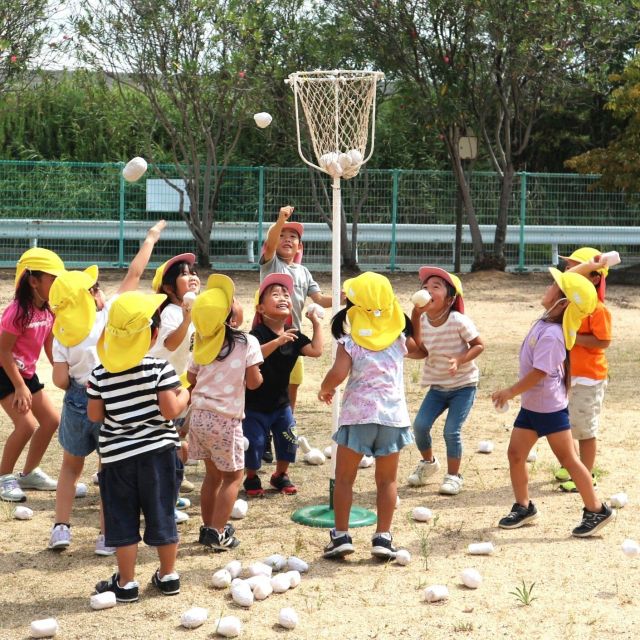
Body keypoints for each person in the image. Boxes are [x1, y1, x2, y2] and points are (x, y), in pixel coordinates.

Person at [48, 221, 166, 554]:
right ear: (92, 296)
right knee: (107, 471)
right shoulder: (109, 316)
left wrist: (73, 377)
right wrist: (151, 238)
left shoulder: (63, 333)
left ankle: (61, 528)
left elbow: (58, 379)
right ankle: (105, 536)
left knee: (71, 467)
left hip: (75, 401)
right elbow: (135, 273)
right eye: (96, 287)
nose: (101, 291)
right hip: (111, 401)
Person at [492, 268, 615, 537]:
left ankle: (596, 509)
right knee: (515, 454)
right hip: (533, 406)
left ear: (563, 303)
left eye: (553, 286)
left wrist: (509, 391)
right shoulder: (546, 321)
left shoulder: (553, 335)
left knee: (569, 460)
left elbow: (539, 373)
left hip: (548, 408)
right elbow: (573, 281)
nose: (548, 287)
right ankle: (524, 507)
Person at [87, 292, 189, 602]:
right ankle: (168, 575)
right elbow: (172, 411)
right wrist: (186, 393)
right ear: (154, 334)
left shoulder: (99, 373)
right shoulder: (160, 369)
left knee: (122, 517)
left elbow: (95, 415)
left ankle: (127, 582)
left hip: (117, 459)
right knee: (163, 512)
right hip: (159, 455)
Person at [319, 272, 419, 560]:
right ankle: (383, 538)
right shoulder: (400, 339)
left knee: (345, 479)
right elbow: (421, 350)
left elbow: (338, 374)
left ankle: (340, 536)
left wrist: (325, 389)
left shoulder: (349, 339)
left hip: (357, 416)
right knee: (387, 481)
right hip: (392, 417)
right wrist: (417, 316)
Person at [186, 274, 263, 551]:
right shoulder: (247, 342)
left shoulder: (201, 340)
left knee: (212, 476)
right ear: (231, 318)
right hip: (226, 419)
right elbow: (254, 382)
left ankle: (208, 527)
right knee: (233, 476)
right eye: (235, 302)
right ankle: (218, 532)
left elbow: (190, 377)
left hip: (199, 416)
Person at [260, 205, 332, 461]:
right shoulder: (271, 264)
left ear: (300, 247)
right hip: (268, 336)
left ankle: (284, 432)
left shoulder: (304, 272)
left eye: (293, 237)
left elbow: (320, 299)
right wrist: (280, 219)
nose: (287, 239)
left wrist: (345, 298)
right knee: (263, 389)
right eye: (283, 235)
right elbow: (269, 243)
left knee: (291, 389)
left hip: (294, 338)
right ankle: (264, 437)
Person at [243, 272, 323, 497]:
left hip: (281, 404)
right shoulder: (256, 334)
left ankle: (280, 475)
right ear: (260, 309)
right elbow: (252, 355)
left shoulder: (294, 335)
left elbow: (316, 351)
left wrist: (316, 324)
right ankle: (251, 476)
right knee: (254, 443)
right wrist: (277, 342)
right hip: (253, 405)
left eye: (286, 295)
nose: (283, 298)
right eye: (275, 294)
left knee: (289, 439)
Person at [407, 267, 484, 496]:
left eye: (435, 287)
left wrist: (460, 359)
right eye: (425, 287)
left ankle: (453, 476)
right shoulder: (422, 320)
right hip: (438, 387)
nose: (428, 290)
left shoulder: (458, 320)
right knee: (420, 426)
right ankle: (429, 463)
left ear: (450, 299)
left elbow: (479, 344)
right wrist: (404, 349)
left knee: (451, 432)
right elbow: (421, 350)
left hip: (464, 386)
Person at [0, 248, 65, 502]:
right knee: (26, 425)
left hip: (26, 374)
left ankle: (28, 474)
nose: (57, 284)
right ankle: (4, 476)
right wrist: (19, 386)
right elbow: (3, 351)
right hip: (6, 373)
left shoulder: (49, 310)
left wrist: (62, 370)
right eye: (53, 279)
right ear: (33, 280)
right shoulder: (17, 311)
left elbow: (49, 346)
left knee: (51, 421)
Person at [553, 248, 612, 492]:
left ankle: (586, 475)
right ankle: (573, 466)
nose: (569, 273)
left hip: (588, 378)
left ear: (596, 278)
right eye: (568, 269)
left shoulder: (597, 310)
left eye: (577, 269)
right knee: (565, 425)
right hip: (568, 375)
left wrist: (574, 338)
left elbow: (604, 341)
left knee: (585, 430)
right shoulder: (567, 305)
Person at [149, 252, 200, 502]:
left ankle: (172, 486)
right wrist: (188, 314)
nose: (191, 277)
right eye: (183, 274)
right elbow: (170, 344)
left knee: (174, 437)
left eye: (192, 272)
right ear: (168, 288)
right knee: (166, 438)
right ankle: (167, 491)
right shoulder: (171, 312)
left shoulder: (185, 309)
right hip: (158, 384)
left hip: (173, 381)